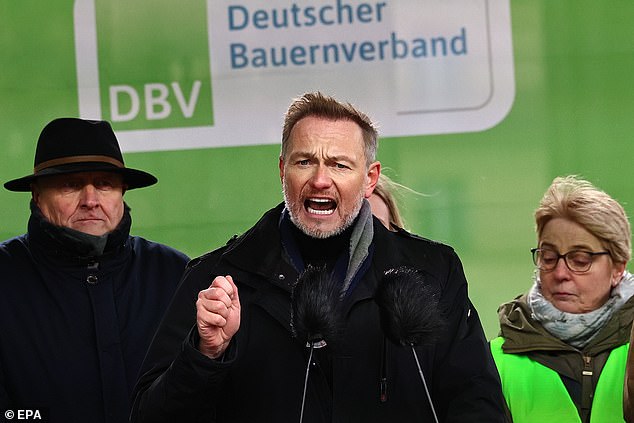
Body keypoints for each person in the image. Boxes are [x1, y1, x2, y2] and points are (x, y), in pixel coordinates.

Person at [131, 92, 505, 422]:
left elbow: (477, 403)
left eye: (340, 165)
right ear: (282, 170)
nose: (321, 180)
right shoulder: (218, 279)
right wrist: (204, 354)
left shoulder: (433, 272)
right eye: (305, 161)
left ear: (369, 178)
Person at [0, 118, 190, 423]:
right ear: (36, 194)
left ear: (122, 192)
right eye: (70, 185)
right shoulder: (6, 276)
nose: (90, 200)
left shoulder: (174, 273)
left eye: (104, 184)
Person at [491, 175, 634, 423]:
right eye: (548, 257)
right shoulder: (496, 358)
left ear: (617, 269)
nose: (559, 273)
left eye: (580, 260)